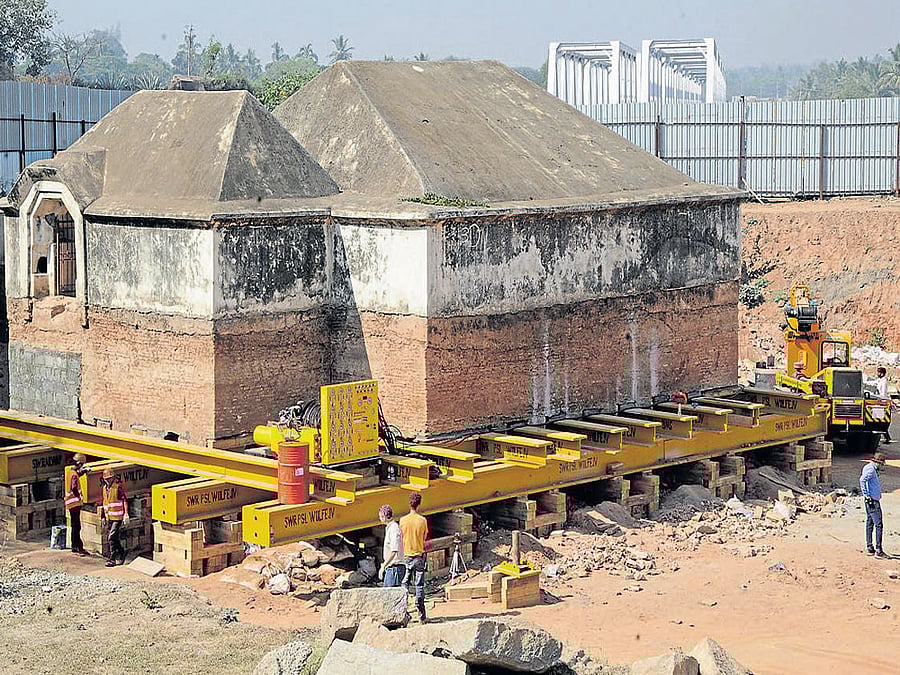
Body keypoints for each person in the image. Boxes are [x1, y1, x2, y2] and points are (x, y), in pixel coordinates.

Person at [399, 492, 429, 623]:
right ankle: (421, 615)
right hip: (418, 557)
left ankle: (403, 612)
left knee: (404, 584)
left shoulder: (402, 520)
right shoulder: (422, 521)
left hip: (406, 557)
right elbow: (424, 537)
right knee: (419, 585)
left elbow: (400, 538)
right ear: (419, 503)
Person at [860, 452, 888, 559]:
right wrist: (867, 495)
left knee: (870, 522)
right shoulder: (871, 469)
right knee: (878, 524)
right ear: (878, 463)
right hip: (873, 501)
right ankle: (878, 550)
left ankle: (870, 548)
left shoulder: (869, 468)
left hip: (871, 499)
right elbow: (862, 480)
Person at [100, 467, 129, 567]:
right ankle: (121, 552)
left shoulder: (117, 488)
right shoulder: (104, 488)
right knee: (114, 538)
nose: (108, 480)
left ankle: (112, 558)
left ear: (113, 478)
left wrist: (126, 514)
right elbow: (104, 503)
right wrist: (103, 516)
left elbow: (124, 500)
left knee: (111, 537)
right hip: (109, 517)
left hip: (117, 517)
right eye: (106, 479)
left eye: (109, 478)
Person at [64, 453, 89, 556]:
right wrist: (78, 496)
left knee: (74, 525)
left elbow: (75, 475)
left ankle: (75, 546)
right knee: (76, 526)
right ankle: (78, 547)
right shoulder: (74, 474)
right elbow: (74, 486)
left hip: (70, 503)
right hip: (74, 503)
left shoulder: (70, 471)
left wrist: (83, 472)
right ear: (79, 463)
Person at [378, 504, 404, 587]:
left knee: (390, 595)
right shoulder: (390, 528)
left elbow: (394, 551)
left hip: (395, 568)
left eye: (380, 517)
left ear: (384, 516)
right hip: (392, 568)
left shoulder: (393, 529)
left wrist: (383, 567)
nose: (380, 519)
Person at [873, 367, 892, 443]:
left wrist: (881, 402)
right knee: (880, 422)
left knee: (881, 421)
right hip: (879, 401)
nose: (877, 374)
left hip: (882, 402)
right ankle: (887, 437)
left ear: (882, 373)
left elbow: (883, 393)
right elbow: (874, 382)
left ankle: (887, 437)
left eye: (878, 372)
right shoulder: (880, 380)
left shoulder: (884, 382)